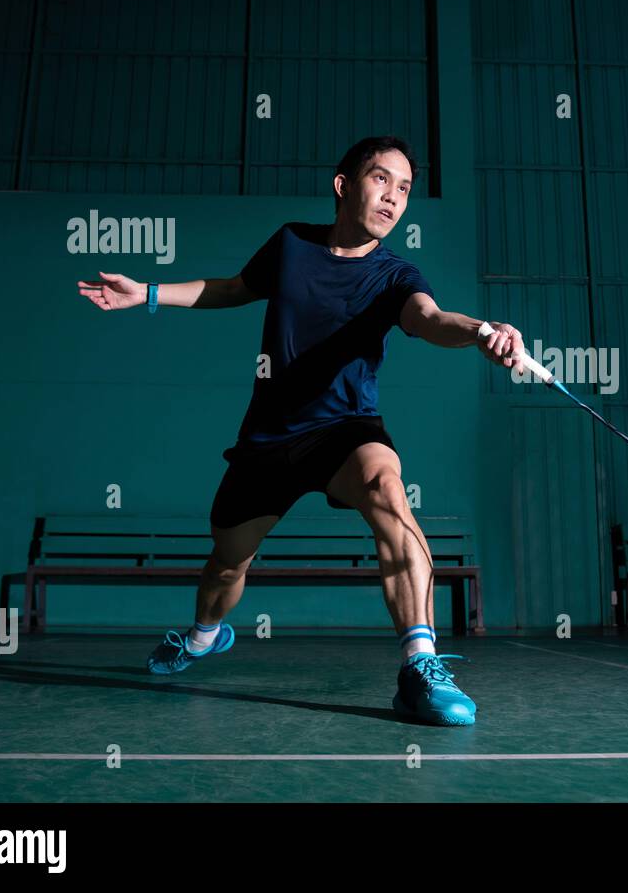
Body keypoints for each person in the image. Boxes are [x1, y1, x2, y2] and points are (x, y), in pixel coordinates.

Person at [77, 135, 523, 726]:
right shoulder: (291, 244)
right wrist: (150, 293)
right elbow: (235, 288)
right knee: (226, 565)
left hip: (346, 428)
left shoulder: (396, 275)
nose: (393, 197)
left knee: (387, 489)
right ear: (344, 185)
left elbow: (431, 319)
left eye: (405, 189)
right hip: (268, 439)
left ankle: (422, 666)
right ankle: (205, 634)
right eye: (381, 179)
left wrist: (480, 329)